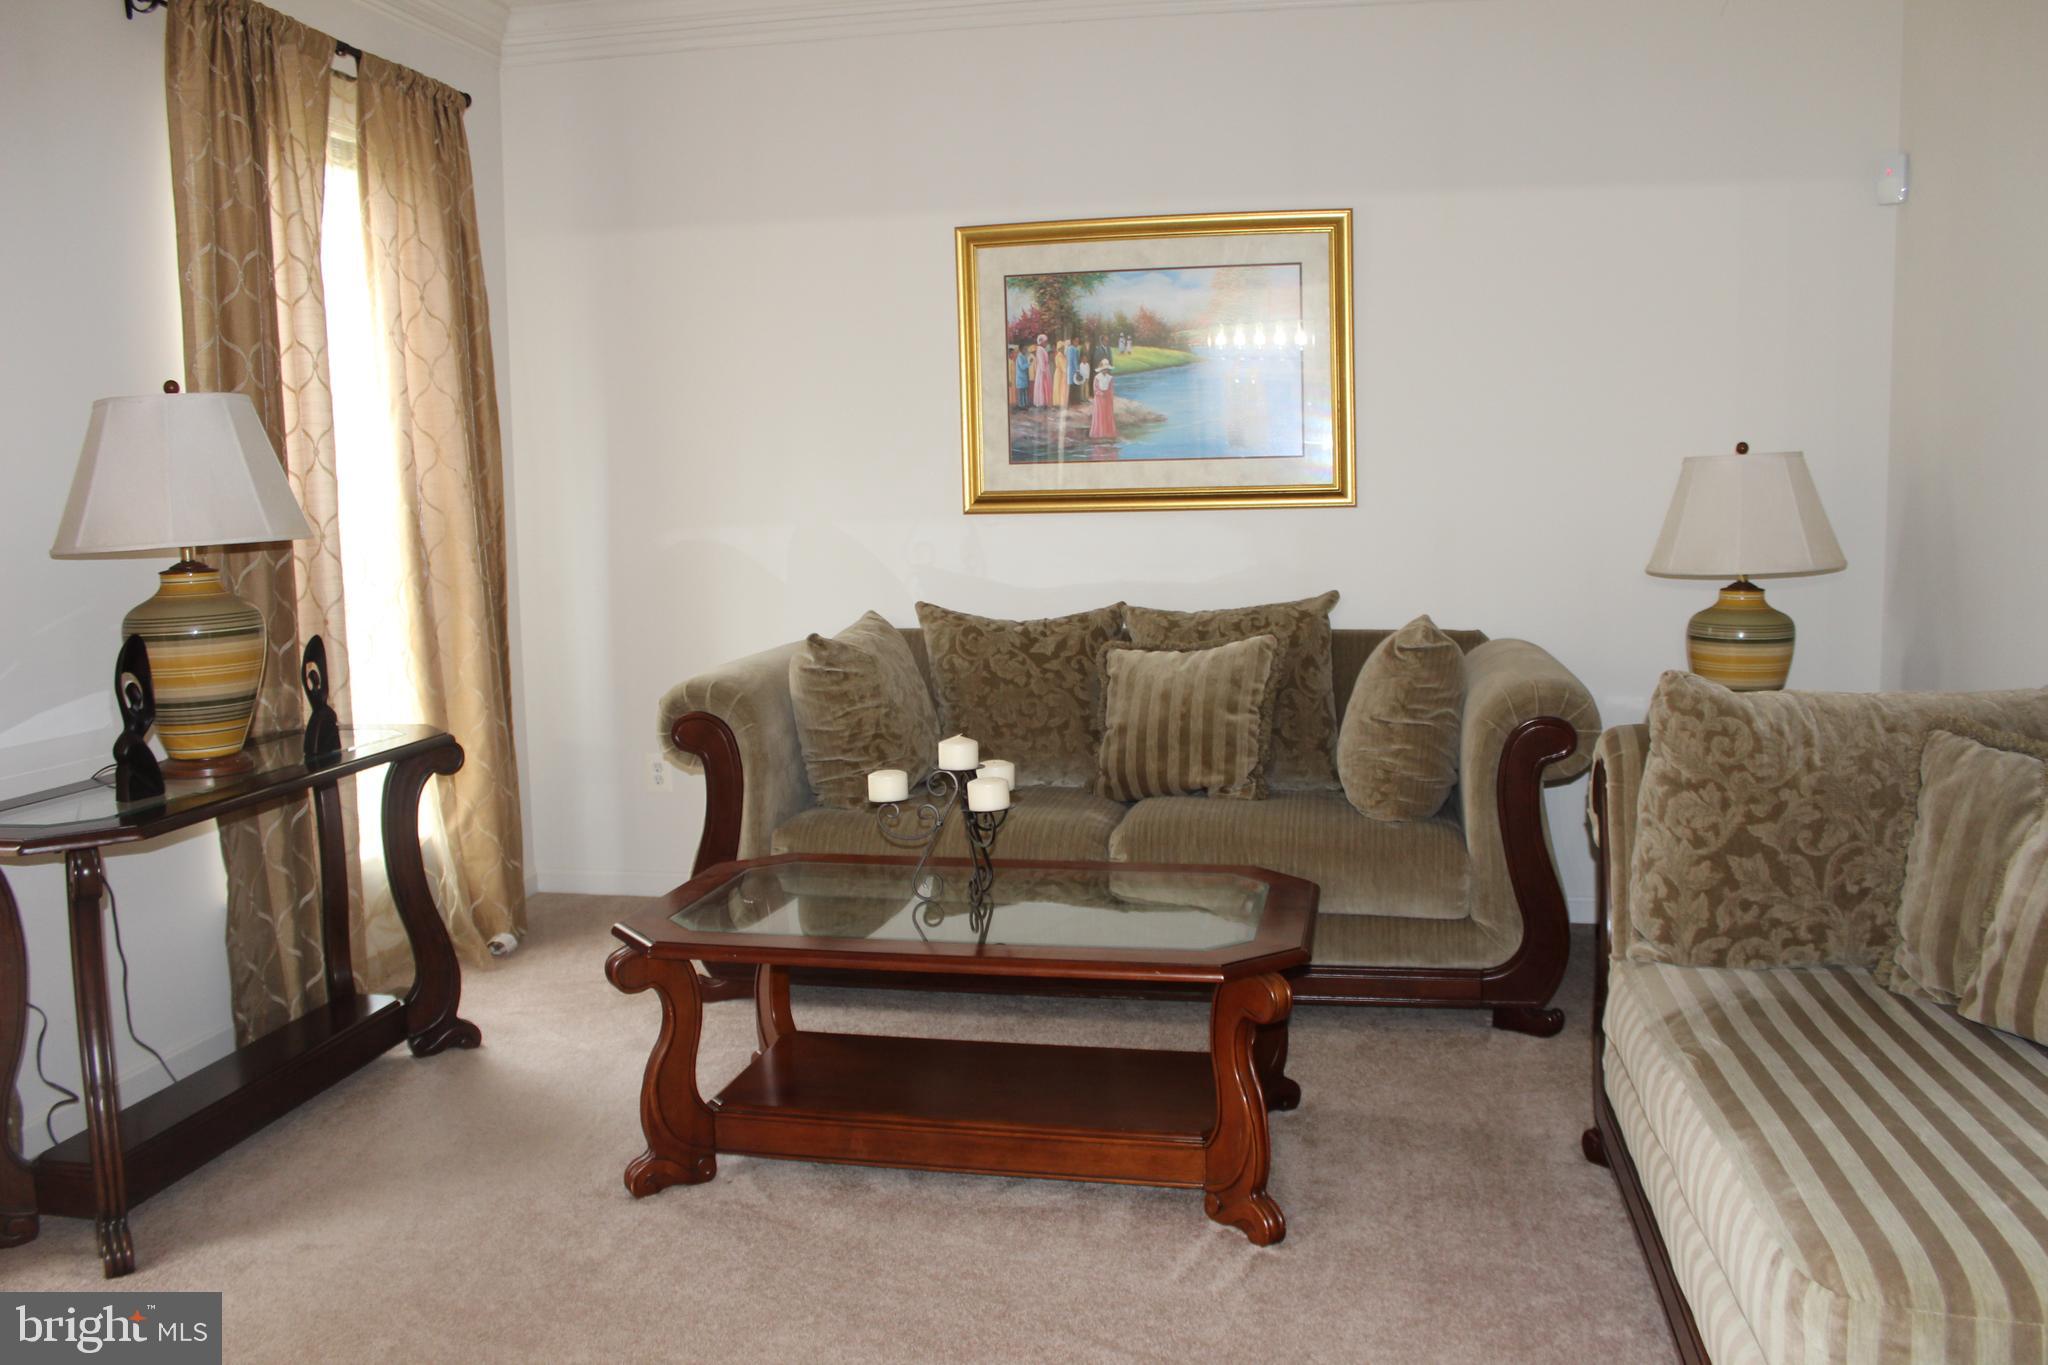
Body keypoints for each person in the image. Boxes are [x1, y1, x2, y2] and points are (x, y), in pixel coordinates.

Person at [1089, 358, 1117, 440]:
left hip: (1107, 398)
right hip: (1099, 399)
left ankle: (1108, 433)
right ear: (1101, 369)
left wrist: (1108, 394)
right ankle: (1099, 433)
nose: (1105, 371)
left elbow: (1111, 388)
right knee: (1100, 415)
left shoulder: (1110, 378)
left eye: (1106, 369)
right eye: (1104, 369)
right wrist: (1100, 393)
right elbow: (1095, 389)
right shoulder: (1097, 378)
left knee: (1107, 415)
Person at [1031, 333, 1053, 408]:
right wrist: (1044, 371)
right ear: (1041, 342)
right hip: (1042, 370)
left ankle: (1045, 402)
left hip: (1045, 369)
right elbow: (1041, 361)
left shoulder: (1043, 349)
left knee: (1046, 386)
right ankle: (1041, 402)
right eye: (1045, 342)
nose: (1046, 343)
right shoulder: (1039, 350)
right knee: (1042, 385)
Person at [1051, 336, 1070, 409]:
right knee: (1059, 388)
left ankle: (1061, 402)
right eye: (1062, 348)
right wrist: (1067, 372)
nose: (1063, 349)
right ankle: (1058, 403)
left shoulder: (1062, 355)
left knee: (1061, 388)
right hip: (1060, 374)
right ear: (1060, 348)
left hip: (1061, 373)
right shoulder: (1059, 356)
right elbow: (1063, 367)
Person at [1013, 342, 1031, 408]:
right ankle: (1021, 405)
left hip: (1024, 378)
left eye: (1026, 349)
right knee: (1021, 392)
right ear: (1021, 349)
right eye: (1024, 349)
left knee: (1025, 392)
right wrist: (1029, 364)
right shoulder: (1019, 357)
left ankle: (1025, 404)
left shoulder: (1023, 356)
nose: (1026, 350)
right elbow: (1022, 367)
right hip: (1021, 378)